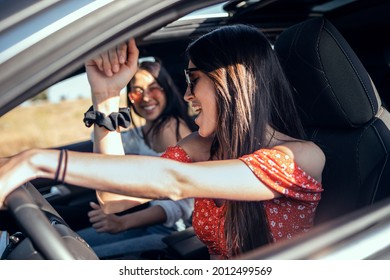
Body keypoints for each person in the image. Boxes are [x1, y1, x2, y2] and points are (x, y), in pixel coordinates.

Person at [0, 24, 325, 260]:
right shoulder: (203, 147)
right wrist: (106, 96)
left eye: (194, 80)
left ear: (231, 83)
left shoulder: (299, 158)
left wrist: (34, 160)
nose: (186, 95)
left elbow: (175, 181)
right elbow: (114, 197)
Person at [77, 58, 196, 259]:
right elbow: (102, 145)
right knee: (74, 243)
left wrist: (122, 222)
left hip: (174, 233)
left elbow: (184, 203)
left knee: (80, 259)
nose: (146, 98)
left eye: (154, 88)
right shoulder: (143, 131)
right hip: (148, 223)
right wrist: (104, 102)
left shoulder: (171, 128)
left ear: (167, 89)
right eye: (137, 91)